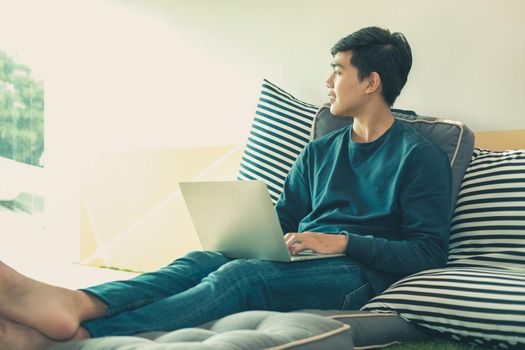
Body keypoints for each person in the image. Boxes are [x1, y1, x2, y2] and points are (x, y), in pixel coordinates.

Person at [0, 26, 452, 350]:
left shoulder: (418, 156)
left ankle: (80, 337)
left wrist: (340, 241)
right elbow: (284, 218)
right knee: (204, 260)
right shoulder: (322, 149)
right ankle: (78, 302)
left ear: (372, 82)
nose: (327, 83)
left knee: (242, 277)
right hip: (300, 257)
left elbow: (428, 251)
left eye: (338, 71)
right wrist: (249, 233)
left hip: (356, 275)